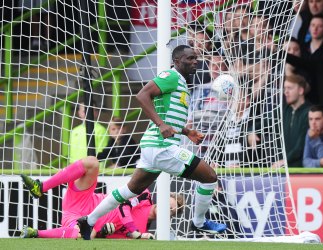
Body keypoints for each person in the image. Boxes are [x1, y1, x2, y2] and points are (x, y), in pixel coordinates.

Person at [76, 45, 227, 240]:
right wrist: (161, 124)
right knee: (209, 177)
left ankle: (88, 220)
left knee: (130, 190)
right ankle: (199, 223)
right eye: (190, 58)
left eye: (196, 58)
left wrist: (187, 131)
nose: (195, 61)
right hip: (162, 147)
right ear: (177, 61)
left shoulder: (181, 82)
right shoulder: (171, 76)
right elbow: (142, 95)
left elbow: (168, 118)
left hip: (153, 147)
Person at [19, 157, 184, 239]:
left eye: (171, 210)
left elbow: (110, 239)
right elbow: (122, 205)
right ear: (162, 197)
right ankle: (41, 188)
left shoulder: (144, 232)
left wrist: (104, 233)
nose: (167, 209)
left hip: (83, 221)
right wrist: (133, 231)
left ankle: (34, 233)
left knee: (86, 235)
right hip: (85, 199)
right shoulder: (144, 195)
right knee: (92, 162)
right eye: (169, 204)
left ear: (171, 216)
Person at [282, 74, 312, 167]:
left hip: (300, 170)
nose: (285, 92)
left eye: (289, 88)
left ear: (301, 90)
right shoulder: (285, 109)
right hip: (284, 168)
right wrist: (252, 132)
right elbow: (266, 122)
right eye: (284, 88)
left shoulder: (310, 113)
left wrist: (284, 161)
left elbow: (300, 146)